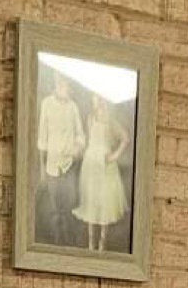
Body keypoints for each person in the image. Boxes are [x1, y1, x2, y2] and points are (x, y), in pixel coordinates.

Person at [72, 94, 129, 252]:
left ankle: (102, 244)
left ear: (103, 99)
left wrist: (114, 156)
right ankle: (91, 243)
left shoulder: (110, 120)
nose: (94, 101)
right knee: (91, 199)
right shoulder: (90, 118)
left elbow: (125, 138)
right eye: (93, 98)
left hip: (105, 164)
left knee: (105, 201)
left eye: (97, 98)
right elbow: (88, 141)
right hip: (91, 163)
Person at [37, 71, 85, 247]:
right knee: (55, 210)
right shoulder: (46, 105)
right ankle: (56, 248)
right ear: (57, 85)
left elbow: (81, 135)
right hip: (52, 166)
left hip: (70, 166)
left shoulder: (73, 107)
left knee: (71, 207)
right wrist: (43, 172)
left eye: (69, 86)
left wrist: (78, 148)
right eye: (65, 85)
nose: (68, 89)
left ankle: (71, 247)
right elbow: (42, 139)